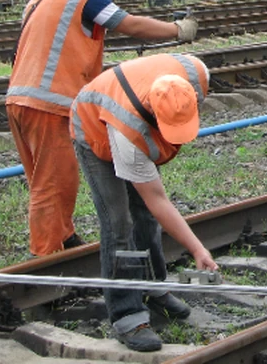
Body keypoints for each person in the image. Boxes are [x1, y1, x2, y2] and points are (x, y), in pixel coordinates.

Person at [7, 0, 200, 257]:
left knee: (47, 181)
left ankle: (65, 241)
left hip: (20, 100)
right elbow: (130, 25)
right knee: (53, 187)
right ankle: (48, 266)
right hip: (49, 104)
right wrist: (178, 31)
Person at [70, 53, 217, 352]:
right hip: (92, 125)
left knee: (145, 218)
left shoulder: (196, 72)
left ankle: (154, 288)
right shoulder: (129, 133)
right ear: (153, 114)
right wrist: (197, 249)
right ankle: (127, 315)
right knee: (119, 222)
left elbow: (152, 207)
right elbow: (158, 200)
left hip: (122, 110)